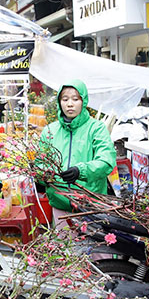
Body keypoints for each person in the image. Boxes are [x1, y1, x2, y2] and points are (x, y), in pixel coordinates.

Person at [38, 79, 116, 228]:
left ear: (84, 101)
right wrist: (44, 175)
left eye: (75, 99)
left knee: (97, 250)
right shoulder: (49, 131)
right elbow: (40, 163)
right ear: (59, 102)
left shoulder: (96, 128)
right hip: (61, 207)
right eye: (65, 99)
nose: (70, 104)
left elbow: (106, 161)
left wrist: (81, 171)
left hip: (91, 206)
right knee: (66, 249)